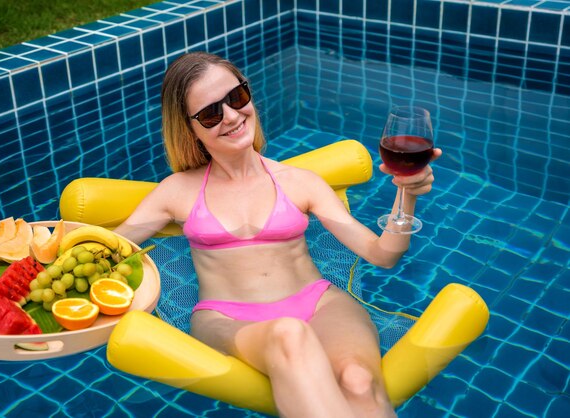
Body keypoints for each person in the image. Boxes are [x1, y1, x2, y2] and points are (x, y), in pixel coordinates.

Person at [114, 51, 442, 418]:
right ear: (189, 127)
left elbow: (382, 254)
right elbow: (109, 250)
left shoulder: (300, 182)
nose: (233, 116)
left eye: (236, 97)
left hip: (319, 303)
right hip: (227, 317)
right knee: (288, 333)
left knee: (359, 382)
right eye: (210, 113)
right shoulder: (177, 191)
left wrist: (407, 194)